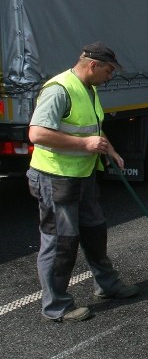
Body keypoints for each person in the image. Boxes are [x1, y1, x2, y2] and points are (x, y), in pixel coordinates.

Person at [27, 42, 139, 323]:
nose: (110, 76)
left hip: (84, 174)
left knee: (95, 230)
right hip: (56, 177)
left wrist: (110, 149)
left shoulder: (90, 89)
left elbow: (94, 129)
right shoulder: (59, 89)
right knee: (61, 242)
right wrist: (84, 144)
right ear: (93, 65)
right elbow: (37, 134)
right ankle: (56, 306)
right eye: (109, 70)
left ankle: (107, 285)